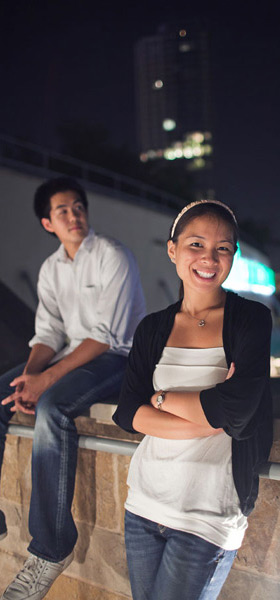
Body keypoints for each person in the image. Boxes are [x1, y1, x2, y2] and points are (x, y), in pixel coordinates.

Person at [112, 200, 273, 600]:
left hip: (208, 513)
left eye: (223, 248)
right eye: (196, 245)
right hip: (144, 502)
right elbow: (129, 410)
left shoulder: (250, 319)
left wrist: (162, 398)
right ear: (173, 250)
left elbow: (236, 412)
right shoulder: (152, 328)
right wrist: (207, 413)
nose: (209, 258)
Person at [0, 177, 146, 600]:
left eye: (78, 206)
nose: (73, 215)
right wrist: (29, 376)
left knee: (53, 408)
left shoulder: (112, 255)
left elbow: (106, 335)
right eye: (62, 210)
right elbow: (47, 332)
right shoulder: (51, 269)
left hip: (119, 357)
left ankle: (51, 548)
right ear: (48, 223)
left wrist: (46, 382)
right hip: (72, 354)